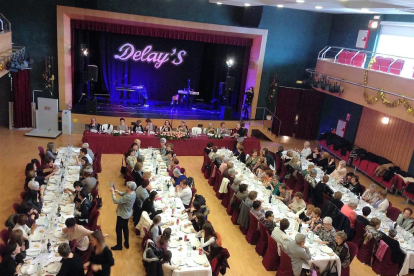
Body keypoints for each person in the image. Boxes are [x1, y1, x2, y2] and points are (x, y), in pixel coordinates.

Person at [110, 181, 137, 250]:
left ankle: (119, 245)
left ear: (130, 188)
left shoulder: (127, 196)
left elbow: (116, 201)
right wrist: (118, 192)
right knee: (125, 228)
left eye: (127, 187)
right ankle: (126, 243)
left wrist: (113, 193)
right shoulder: (133, 193)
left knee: (118, 229)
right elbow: (125, 194)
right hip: (128, 213)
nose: (125, 187)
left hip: (122, 214)